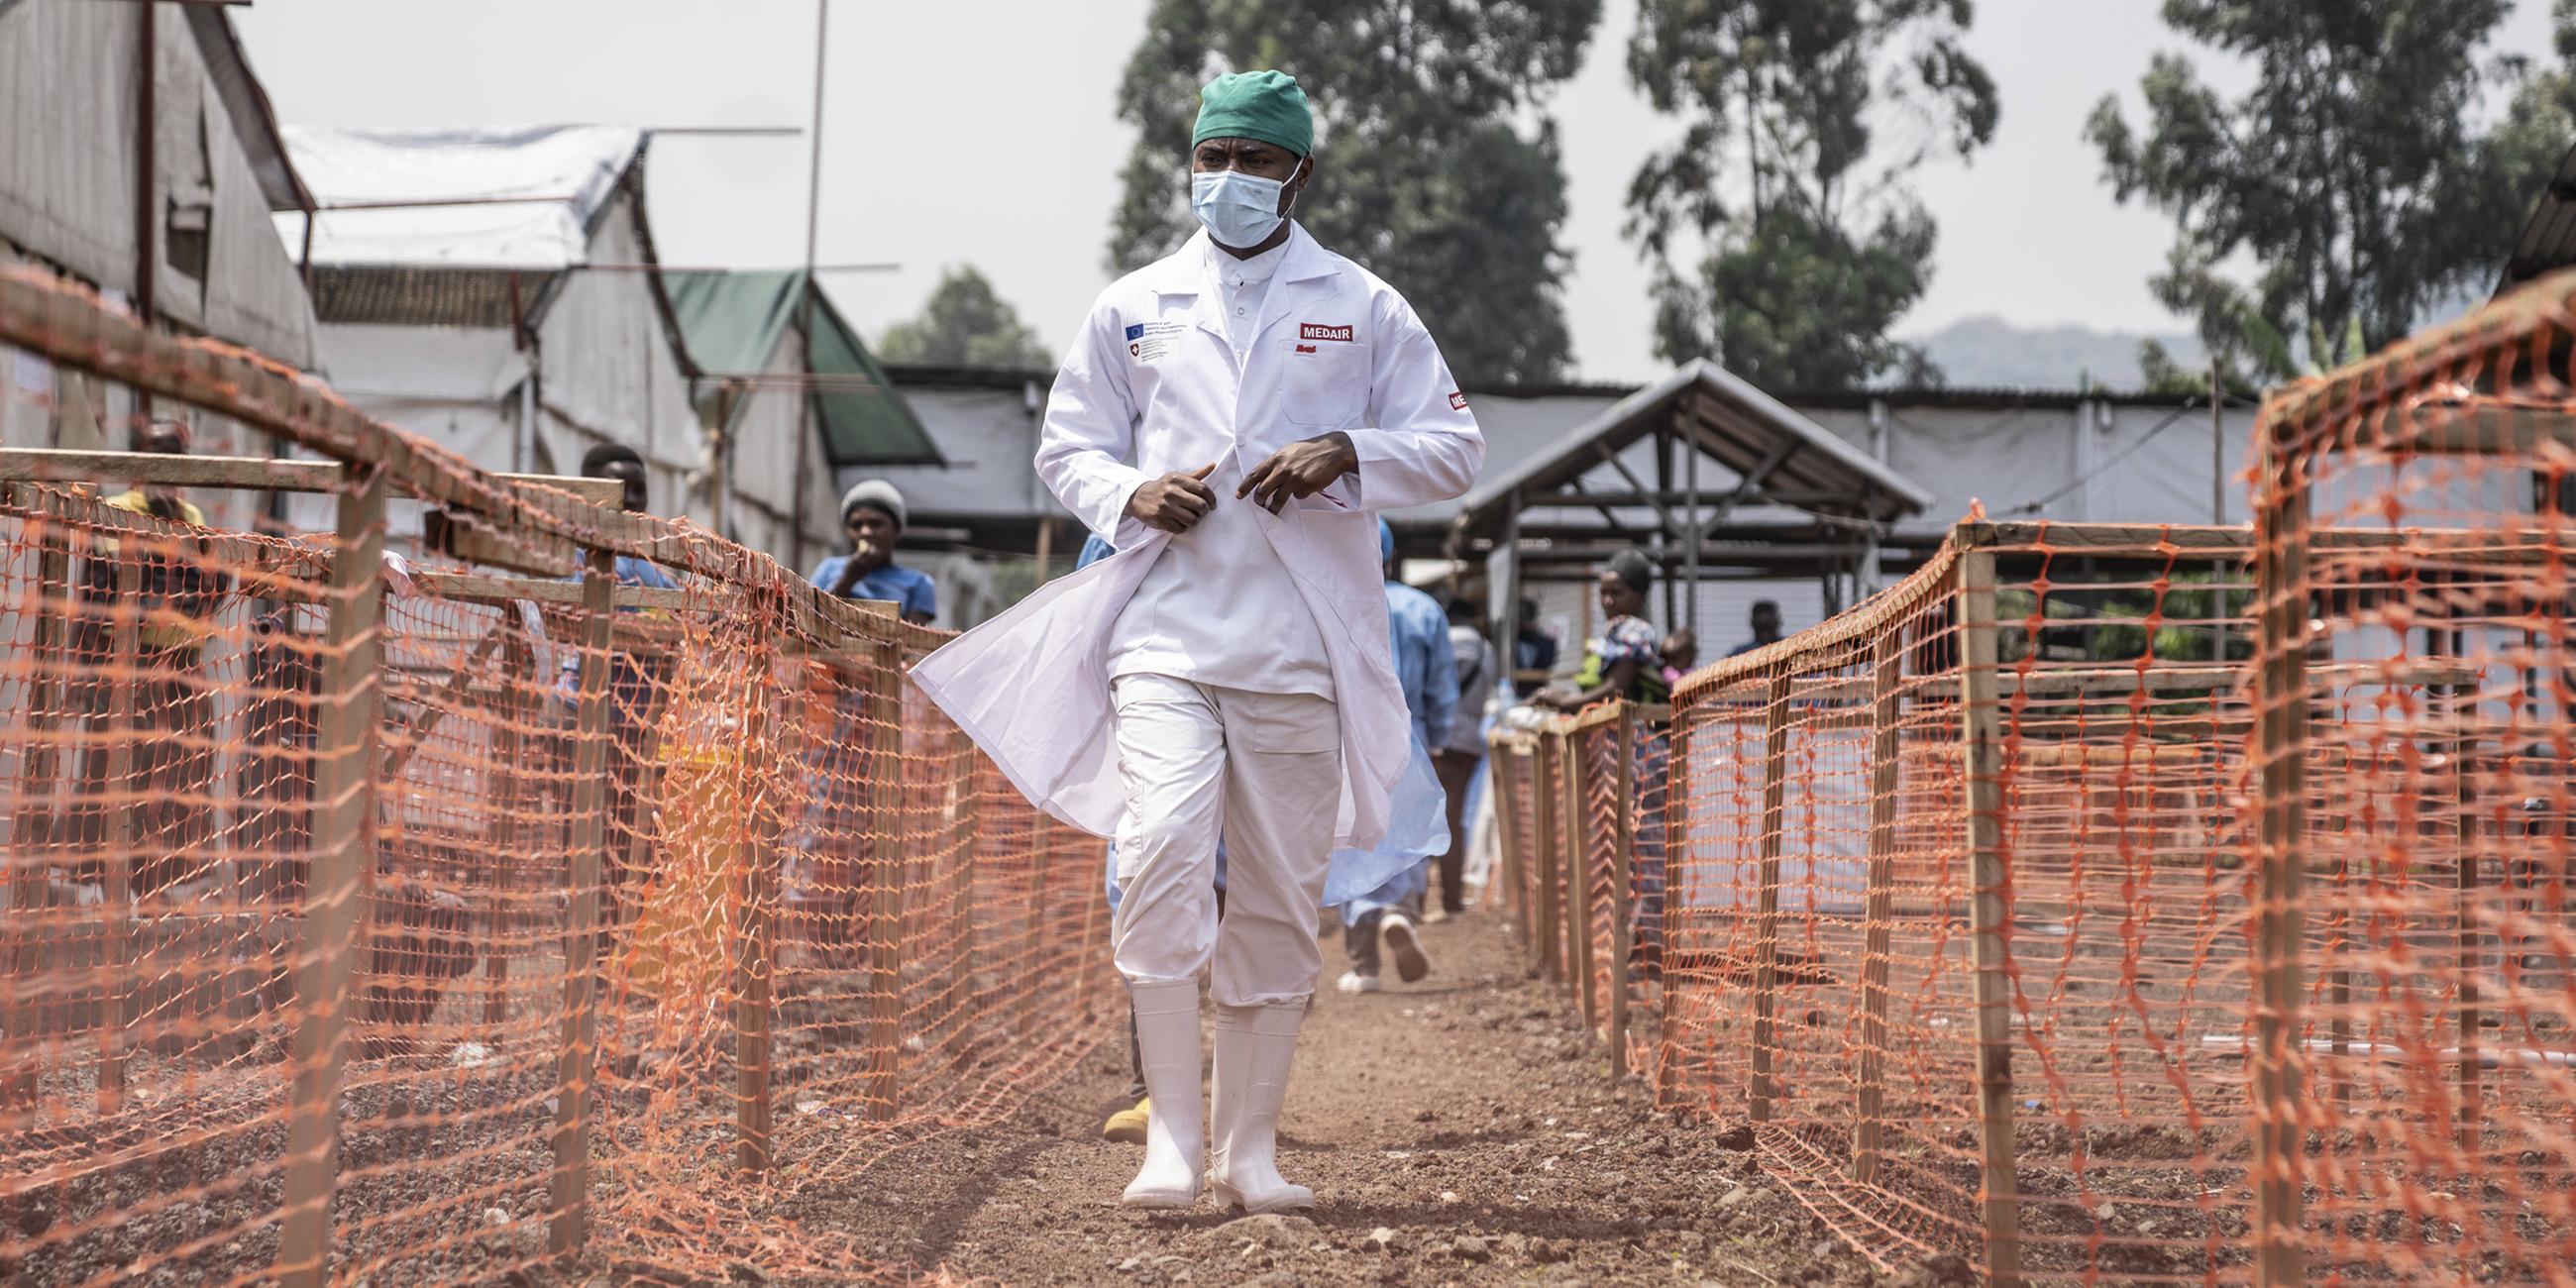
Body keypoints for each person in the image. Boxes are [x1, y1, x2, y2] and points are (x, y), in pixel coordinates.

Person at [910, 68, 1481, 1216]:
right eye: (1209, 155)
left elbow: (1455, 449)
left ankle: (1250, 1150)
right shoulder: (1133, 304)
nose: (1224, 179)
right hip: (1164, 636)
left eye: (1252, 160)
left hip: (1303, 653)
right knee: (1164, 848)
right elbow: (1067, 445)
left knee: (1277, 893)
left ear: (1297, 173)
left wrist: (1347, 452)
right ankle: (1169, 1140)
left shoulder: (1363, 304)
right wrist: (1128, 494)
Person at [82, 419, 228, 898]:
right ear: (140, 464)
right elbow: (102, 593)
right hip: (129, 668)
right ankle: (107, 890)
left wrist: (171, 597)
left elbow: (208, 591)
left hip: (183, 670)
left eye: (175, 456)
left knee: (181, 779)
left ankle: (158, 888)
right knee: (118, 777)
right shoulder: (115, 514)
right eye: (157, 455)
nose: (167, 466)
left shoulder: (194, 519)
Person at [1335, 521, 1458, 993]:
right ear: (1390, 555)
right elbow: (1442, 685)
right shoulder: (1423, 608)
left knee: (1353, 839)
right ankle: (1400, 911)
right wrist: (1441, 737)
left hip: (1350, 739)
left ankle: (1364, 964)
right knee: (1407, 835)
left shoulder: (1335, 601)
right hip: (1411, 739)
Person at [573, 442, 679, 928]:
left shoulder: (654, 566)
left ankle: (613, 940)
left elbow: (681, 624)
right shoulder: (580, 558)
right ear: (591, 495)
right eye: (620, 491)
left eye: (640, 490)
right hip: (581, 712)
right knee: (580, 833)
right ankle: (583, 938)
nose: (633, 502)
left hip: (639, 721)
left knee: (629, 837)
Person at [1539, 549, 1668, 713]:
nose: (1608, 601)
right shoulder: (1614, 632)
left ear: (1638, 598)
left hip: (1632, 733)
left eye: (1616, 593)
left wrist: (1565, 701)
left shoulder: (1634, 631)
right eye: (1603, 592)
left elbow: (1615, 690)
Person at [810, 480, 936, 626]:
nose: (865, 532)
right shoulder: (829, 568)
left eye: (876, 523)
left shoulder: (919, 583)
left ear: (897, 530)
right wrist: (848, 579)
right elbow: (810, 622)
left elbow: (912, 642)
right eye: (856, 525)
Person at [1514, 595, 1558, 675]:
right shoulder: (1510, 641)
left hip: (1536, 686)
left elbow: (1546, 662)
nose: (1523, 624)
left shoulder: (1546, 644)